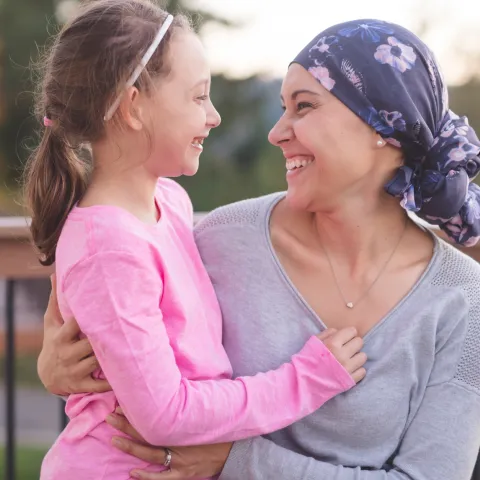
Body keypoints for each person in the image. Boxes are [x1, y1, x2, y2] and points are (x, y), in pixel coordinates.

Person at [37, 18, 480, 480]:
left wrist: (237, 460)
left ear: (385, 127)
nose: (276, 133)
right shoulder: (221, 237)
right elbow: (138, 362)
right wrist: (61, 376)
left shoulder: (463, 301)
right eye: (282, 106)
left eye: (303, 106)